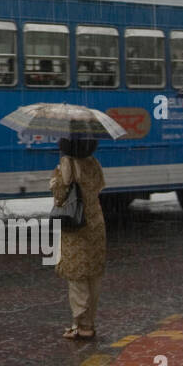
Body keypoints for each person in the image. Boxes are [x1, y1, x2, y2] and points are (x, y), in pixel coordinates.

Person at [50, 136, 106, 339]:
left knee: (77, 275)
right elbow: (100, 186)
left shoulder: (68, 163)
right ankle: (89, 323)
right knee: (93, 274)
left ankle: (80, 325)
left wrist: (56, 177)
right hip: (95, 221)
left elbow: (60, 194)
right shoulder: (93, 162)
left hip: (76, 225)